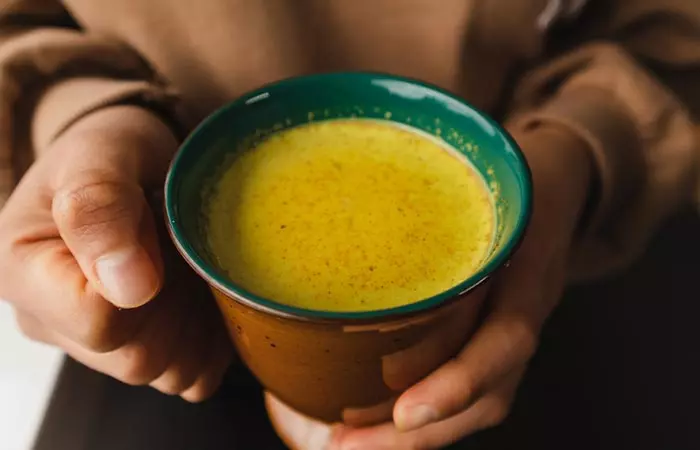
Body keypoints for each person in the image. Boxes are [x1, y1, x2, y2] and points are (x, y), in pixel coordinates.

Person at [0, 0, 697, 449]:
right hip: (167, 294)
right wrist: (80, 116)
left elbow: (672, 30)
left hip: (569, 247)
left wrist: (578, 148)